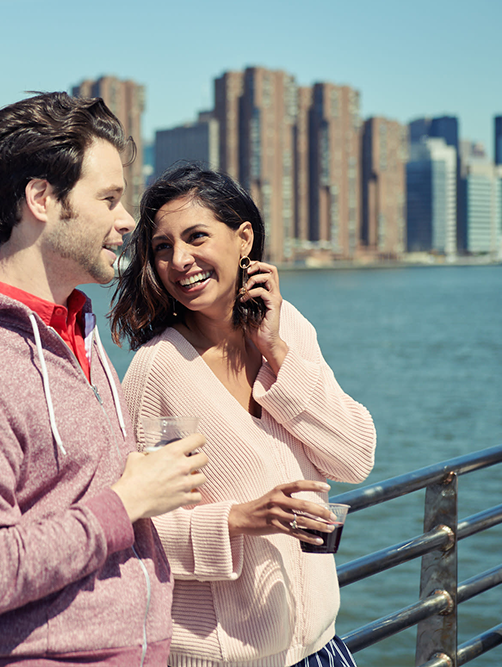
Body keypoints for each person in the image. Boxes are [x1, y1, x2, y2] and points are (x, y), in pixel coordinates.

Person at [0, 93, 209, 667]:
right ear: (42, 199)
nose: (127, 221)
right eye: (110, 199)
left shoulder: (81, 334)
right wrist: (127, 501)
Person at [111, 164, 376, 667]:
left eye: (196, 238)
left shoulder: (288, 325)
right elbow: (135, 528)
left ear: (243, 239)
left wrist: (277, 351)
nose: (179, 261)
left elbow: (355, 457)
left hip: (323, 648)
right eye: (163, 247)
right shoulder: (157, 370)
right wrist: (239, 520)